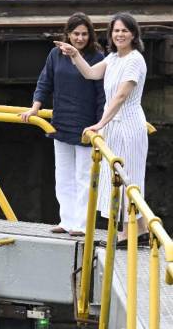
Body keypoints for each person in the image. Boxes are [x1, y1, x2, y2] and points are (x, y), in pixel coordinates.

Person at [55, 12, 149, 244]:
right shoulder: (113, 58)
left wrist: (99, 124)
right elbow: (90, 73)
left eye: (124, 30)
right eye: (116, 30)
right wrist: (75, 54)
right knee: (118, 177)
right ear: (110, 34)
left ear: (134, 34)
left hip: (128, 125)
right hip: (113, 127)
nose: (120, 34)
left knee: (128, 177)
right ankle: (143, 230)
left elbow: (120, 96)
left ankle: (126, 235)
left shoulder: (135, 59)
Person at [21, 13, 105, 237]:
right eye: (76, 34)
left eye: (84, 34)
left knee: (84, 177)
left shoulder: (97, 57)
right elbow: (45, 81)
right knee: (64, 175)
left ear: (90, 35)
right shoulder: (55, 54)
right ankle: (66, 220)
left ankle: (82, 224)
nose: (79, 38)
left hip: (86, 125)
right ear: (67, 34)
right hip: (61, 122)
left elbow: (101, 94)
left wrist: (99, 124)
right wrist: (35, 107)